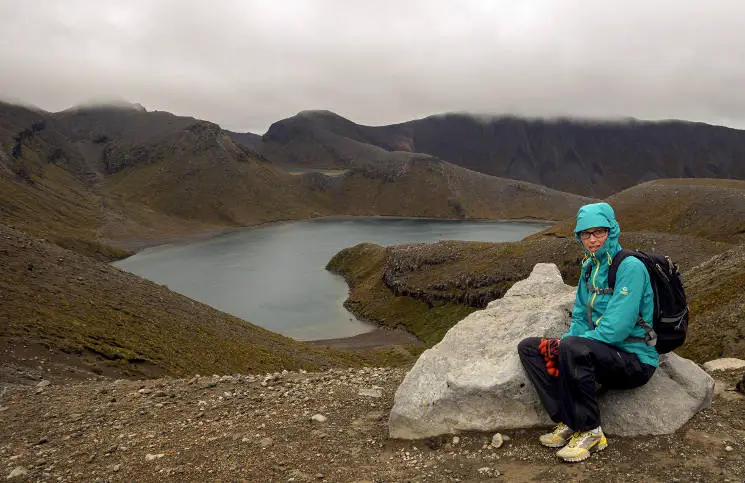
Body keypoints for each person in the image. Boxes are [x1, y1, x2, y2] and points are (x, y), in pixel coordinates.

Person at [517, 202, 657, 463]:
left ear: (612, 231)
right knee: (528, 348)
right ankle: (569, 420)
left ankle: (591, 431)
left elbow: (617, 329)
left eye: (599, 232)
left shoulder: (630, 267)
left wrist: (570, 345)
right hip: (600, 353)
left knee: (571, 346)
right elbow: (581, 316)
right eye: (586, 234)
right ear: (579, 236)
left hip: (634, 360)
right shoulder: (589, 268)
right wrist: (568, 343)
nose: (592, 240)